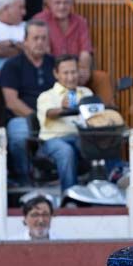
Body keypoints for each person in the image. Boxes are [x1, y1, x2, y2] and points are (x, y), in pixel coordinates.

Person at [32, 0, 113, 106]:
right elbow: (44, 53)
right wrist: (64, 72)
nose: (62, 6)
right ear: (49, 2)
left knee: (102, 78)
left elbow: (85, 51)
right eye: (57, 2)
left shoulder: (80, 21)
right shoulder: (40, 20)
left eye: (66, 2)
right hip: (53, 69)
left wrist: (83, 70)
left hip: (76, 69)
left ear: (72, 3)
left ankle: (107, 113)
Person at [0, 20, 53, 184]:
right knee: (19, 137)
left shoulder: (55, 64)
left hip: (53, 117)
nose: (40, 42)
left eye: (44, 38)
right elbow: (11, 102)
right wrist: (36, 117)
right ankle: (23, 178)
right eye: (35, 38)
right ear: (25, 41)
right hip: (22, 117)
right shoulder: (12, 65)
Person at [35, 54, 91, 193]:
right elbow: (50, 113)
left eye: (73, 72)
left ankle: (110, 183)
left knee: (102, 143)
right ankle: (70, 195)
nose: (70, 77)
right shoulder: (47, 96)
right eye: (66, 73)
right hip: (53, 141)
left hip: (82, 138)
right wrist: (63, 108)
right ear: (56, 74)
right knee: (65, 150)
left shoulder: (86, 93)